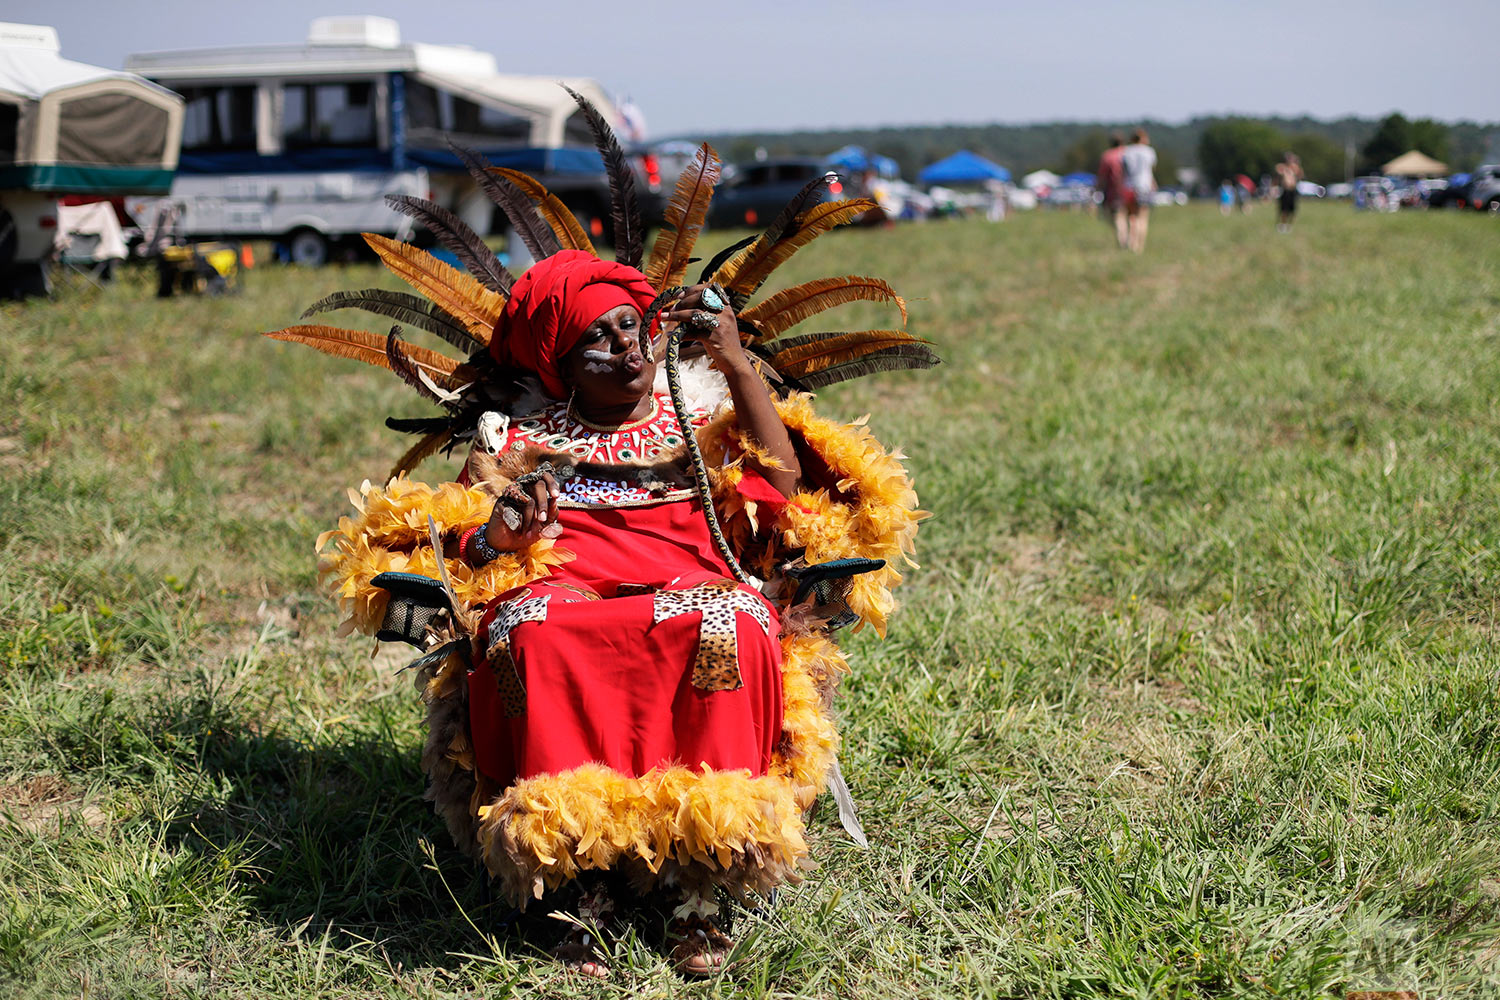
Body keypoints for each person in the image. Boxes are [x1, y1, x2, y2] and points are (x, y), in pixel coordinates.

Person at [295, 104, 931, 982]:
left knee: (726, 624)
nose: (623, 350)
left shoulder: (701, 410)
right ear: (558, 361)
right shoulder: (519, 440)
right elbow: (468, 557)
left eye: (630, 329)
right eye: (595, 340)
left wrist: (738, 361)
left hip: (695, 581)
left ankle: (702, 880)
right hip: (569, 598)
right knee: (530, 631)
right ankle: (569, 884)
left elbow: (782, 485)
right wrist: (502, 533)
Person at [1120, 127, 1157, 253]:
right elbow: (1151, 170)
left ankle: (1131, 242)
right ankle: (1139, 247)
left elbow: (1123, 171)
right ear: (1142, 138)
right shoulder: (1149, 152)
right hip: (1144, 186)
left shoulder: (1127, 151)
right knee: (1143, 217)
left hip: (1129, 186)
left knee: (1131, 217)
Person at [1096, 132, 1128, 248]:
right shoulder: (1128, 153)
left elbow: (1102, 176)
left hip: (1114, 191)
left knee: (1117, 217)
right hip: (1131, 189)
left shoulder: (1107, 156)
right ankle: (1131, 239)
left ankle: (1123, 242)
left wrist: (1098, 188)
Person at [1274, 151, 1304, 233]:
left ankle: (1289, 225)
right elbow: (1278, 172)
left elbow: (1301, 175)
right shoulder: (1282, 167)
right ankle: (1282, 225)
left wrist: (1297, 165)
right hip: (1285, 190)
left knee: (1292, 210)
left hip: (1293, 191)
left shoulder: (1295, 168)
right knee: (1283, 209)